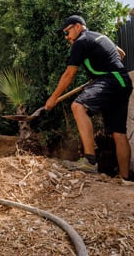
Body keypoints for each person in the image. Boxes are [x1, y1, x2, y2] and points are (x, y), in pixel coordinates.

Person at [45, 15, 133, 184]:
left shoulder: (81, 41)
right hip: (122, 82)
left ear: (78, 26)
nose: (66, 37)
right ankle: (125, 179)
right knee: (119, 133)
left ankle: (90, 161)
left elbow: (69, 74)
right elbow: (121, 53)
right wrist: (104, 68)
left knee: (78, 106)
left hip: (111, 80)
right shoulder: (98, 36)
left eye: (67, 31)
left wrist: (53, 98)